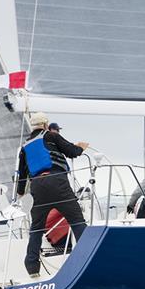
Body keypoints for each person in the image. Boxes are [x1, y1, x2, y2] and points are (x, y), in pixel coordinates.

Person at [17, 112, 89, 277]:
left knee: (36, 228)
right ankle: (87, 258)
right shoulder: (51, 136)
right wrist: (81, 147)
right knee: (77, 220)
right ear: (45, 124)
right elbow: (71, 151)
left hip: (37, 188)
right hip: (57, 182)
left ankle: (32, 268)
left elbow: (22, 176)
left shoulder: (25, 147)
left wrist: (21, 193)